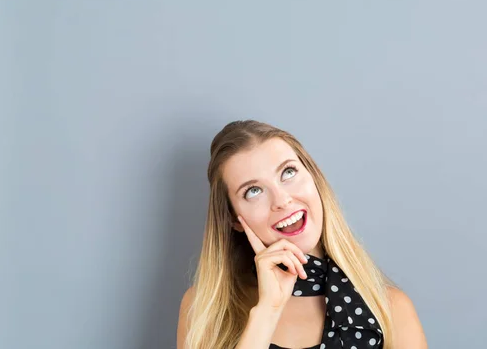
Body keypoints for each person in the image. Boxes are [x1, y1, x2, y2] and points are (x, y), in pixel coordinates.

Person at [177, 120, 427, 349]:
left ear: (313, 178)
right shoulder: (206, 309)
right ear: (233, 219)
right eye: (253, 191)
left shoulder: (391, 309)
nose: (282, 200)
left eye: (288, 172)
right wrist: (267, 311)